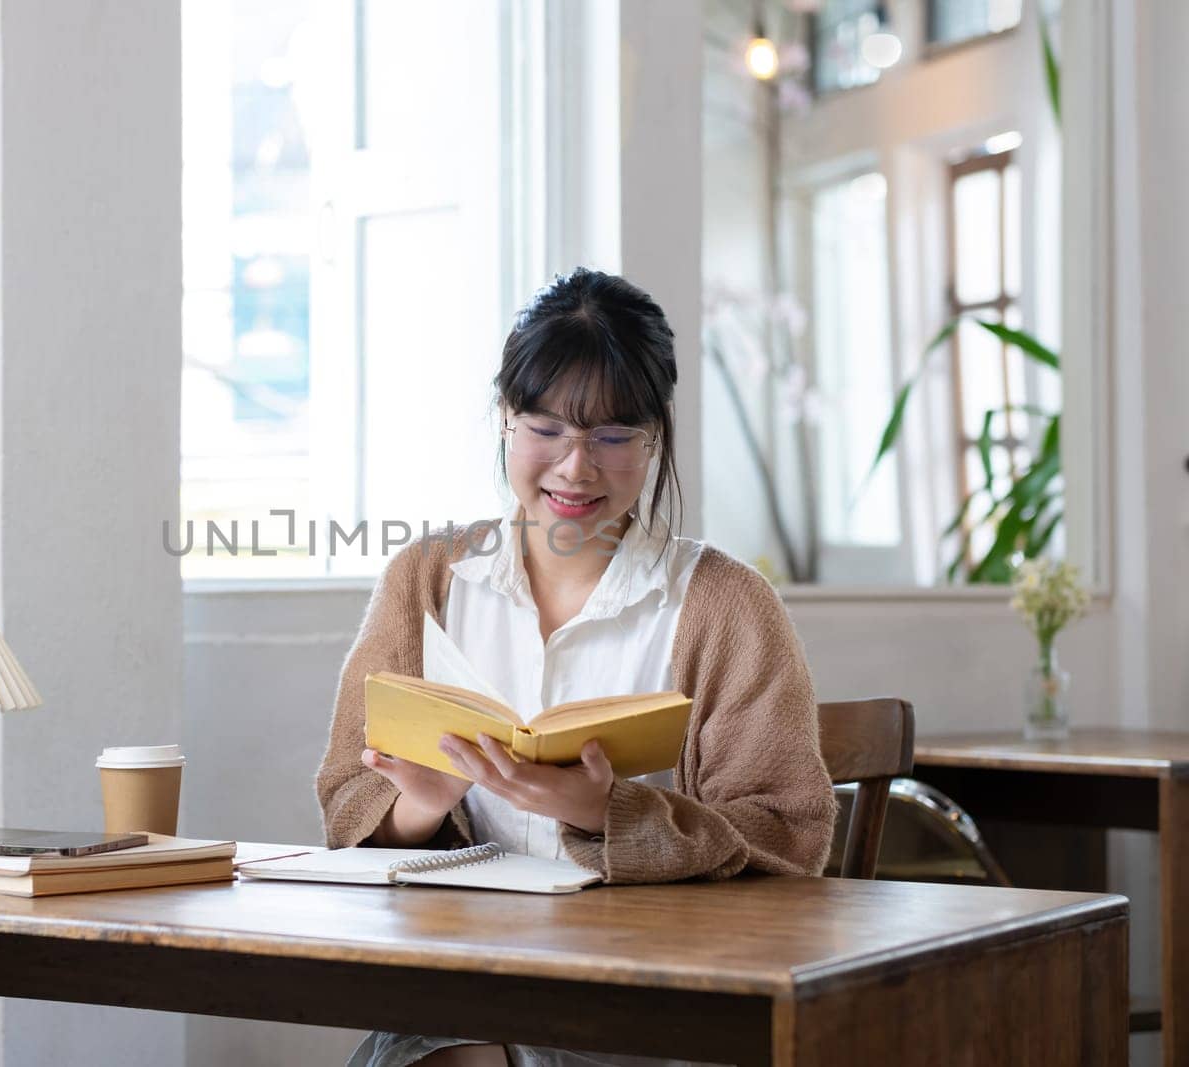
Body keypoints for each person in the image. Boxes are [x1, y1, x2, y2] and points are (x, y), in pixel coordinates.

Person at [314, 269, 838, 1067]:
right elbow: (346, 802)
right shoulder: (425, 578)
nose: (576, 468)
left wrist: (609, 815)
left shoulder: (725, 605)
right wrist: (415, 807)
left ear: (656, 437)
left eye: (613, 436)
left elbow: (789, 838)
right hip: (463, 975)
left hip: (649, 997)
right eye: (547, 429)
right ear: (504, 420)